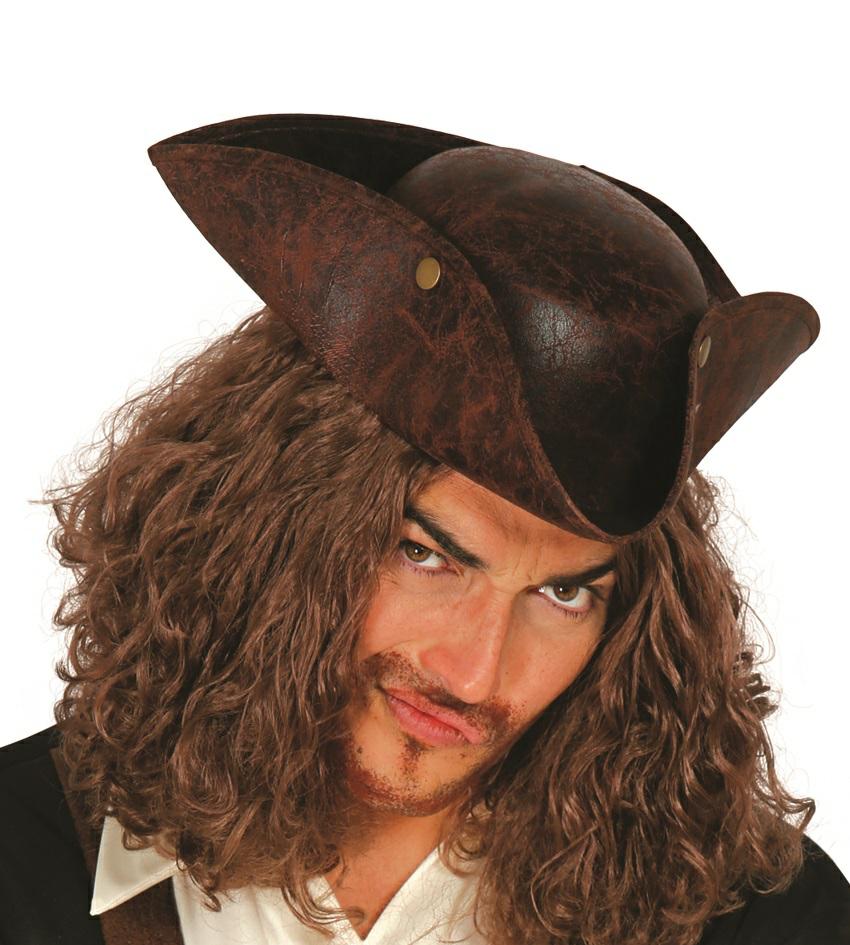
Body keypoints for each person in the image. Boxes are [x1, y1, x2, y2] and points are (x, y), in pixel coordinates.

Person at [1, 113, 848, 945]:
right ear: (267, 523)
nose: (476, 675)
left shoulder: (770, 920)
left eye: (564, 592)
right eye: (427, 554)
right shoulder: (19, 862)